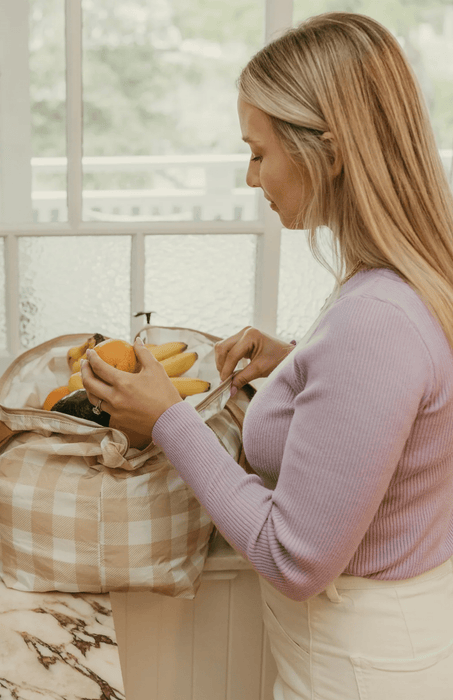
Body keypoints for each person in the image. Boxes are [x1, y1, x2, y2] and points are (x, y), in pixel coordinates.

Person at [80, 12, 453, 700]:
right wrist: (300, 364)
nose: (252, 177)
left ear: (330, 154)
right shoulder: (413, 278)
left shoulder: (374, 323)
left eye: (258, 152)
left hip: (360, 676)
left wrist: (170, 422)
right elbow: (408, 408)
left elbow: (294, 557)